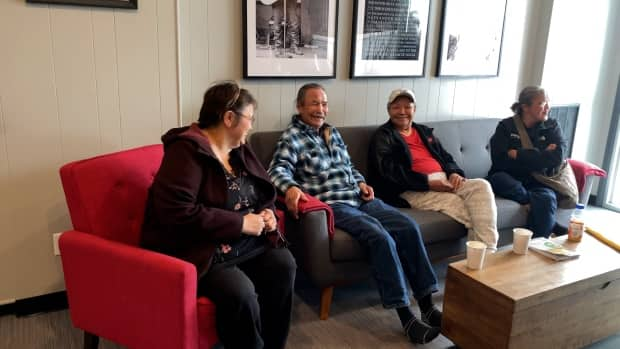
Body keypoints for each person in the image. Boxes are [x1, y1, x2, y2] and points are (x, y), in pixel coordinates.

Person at [268, 83, 442, 345]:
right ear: (300, 106)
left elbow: (349, 166)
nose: (321, 109)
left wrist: (361, 182)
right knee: (380, 237)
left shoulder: (333, 133)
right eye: (314, 103)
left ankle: (427, 304)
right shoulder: (291, 137)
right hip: (334, 204)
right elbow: (276, 170)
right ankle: (406, 317)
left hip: (359, 198)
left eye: (324, 103)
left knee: (408, 226)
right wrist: (291, 187)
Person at [141, 81, 296, 349]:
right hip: (201, 248)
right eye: (250, 118)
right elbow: (176, 213)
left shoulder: (239, 149)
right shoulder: (186, 151)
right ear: (228, 117)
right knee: (241, 294)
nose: (251, 125)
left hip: (244, 241)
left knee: (284, 265)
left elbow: (264, 192)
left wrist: (268, 213)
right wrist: (240, 223)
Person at [368, 89, 499, 251]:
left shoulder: (424, 131)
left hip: (446, 181)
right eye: (396, 107)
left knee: (481, 185)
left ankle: (486, 255)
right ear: (389, 110)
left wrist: (454, 173)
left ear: (414, 109)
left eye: (407, 107)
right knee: (468, 209)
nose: (402, 112)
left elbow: (446, 157)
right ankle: (484, 258)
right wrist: (428, 183)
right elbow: (389, 172)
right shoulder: (383, 136)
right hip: (413, 189)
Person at [487, 86, 566, 238]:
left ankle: (536, 248)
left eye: (548, 103)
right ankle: (548, 220)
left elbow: (556, 159)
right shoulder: (506, 127)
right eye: (542, 103)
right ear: (525, 107)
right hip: (509, 178)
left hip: (538, 181)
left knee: (548, 197)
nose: (547, 108)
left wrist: (519, 154)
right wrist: (541, 155)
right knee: (497, 179)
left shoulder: (552, 126)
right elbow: (500, 161)